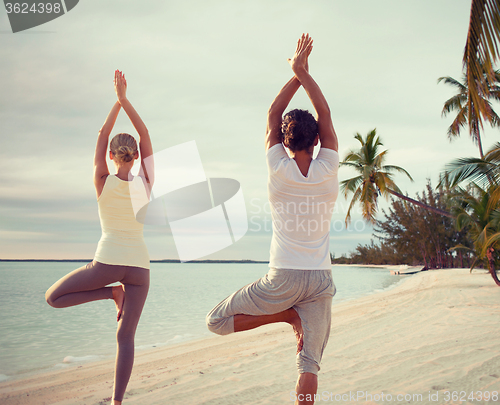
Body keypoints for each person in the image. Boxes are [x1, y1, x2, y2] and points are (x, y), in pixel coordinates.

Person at [206, 33, 339, 405]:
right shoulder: (328, 167)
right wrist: (304, 72)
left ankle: (285, 317)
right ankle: (292, 318)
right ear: (316, 143)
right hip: (320, 280)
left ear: (284, 141)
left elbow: (271, 115)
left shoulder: (277, 167)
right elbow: (325, 115)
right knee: (309, 366)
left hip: (283, 278)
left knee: (215, 321)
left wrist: (295, 73)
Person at [45, 70, 153, 405]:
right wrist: (126, 100)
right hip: (139, 268)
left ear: (111, 156)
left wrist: (115, 102)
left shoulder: (102, 179)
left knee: (53, 297)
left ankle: (110, 296)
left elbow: (102, 132)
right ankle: (117, 402)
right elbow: (145, 132)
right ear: (135, 156)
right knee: (126, 337)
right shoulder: (147, 182)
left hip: (106, 264)